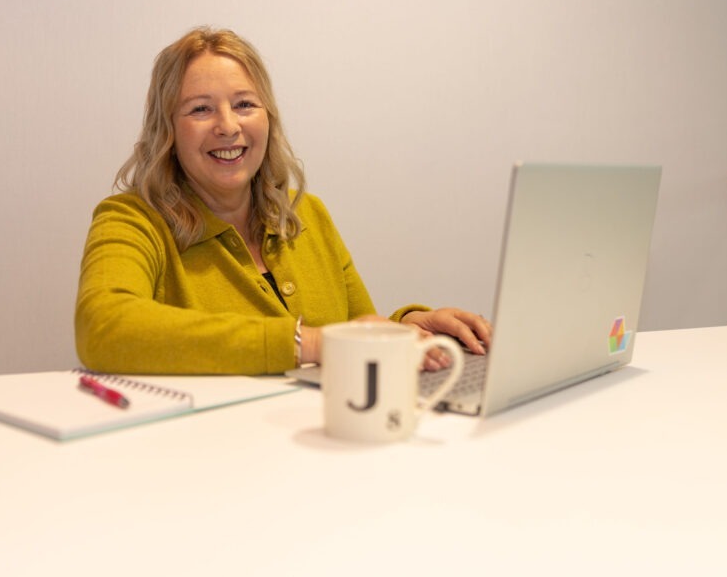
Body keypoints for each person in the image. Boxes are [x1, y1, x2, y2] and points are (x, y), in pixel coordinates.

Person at [75, 27, 491, 375]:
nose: (228, 125)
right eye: (200, 109)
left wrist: (408, 327)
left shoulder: (307, 213)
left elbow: (354, 333)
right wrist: (303, 342)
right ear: (167, 131)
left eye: (244, 104)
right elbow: (102, 328)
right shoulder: (129, 220)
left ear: (268, 116)